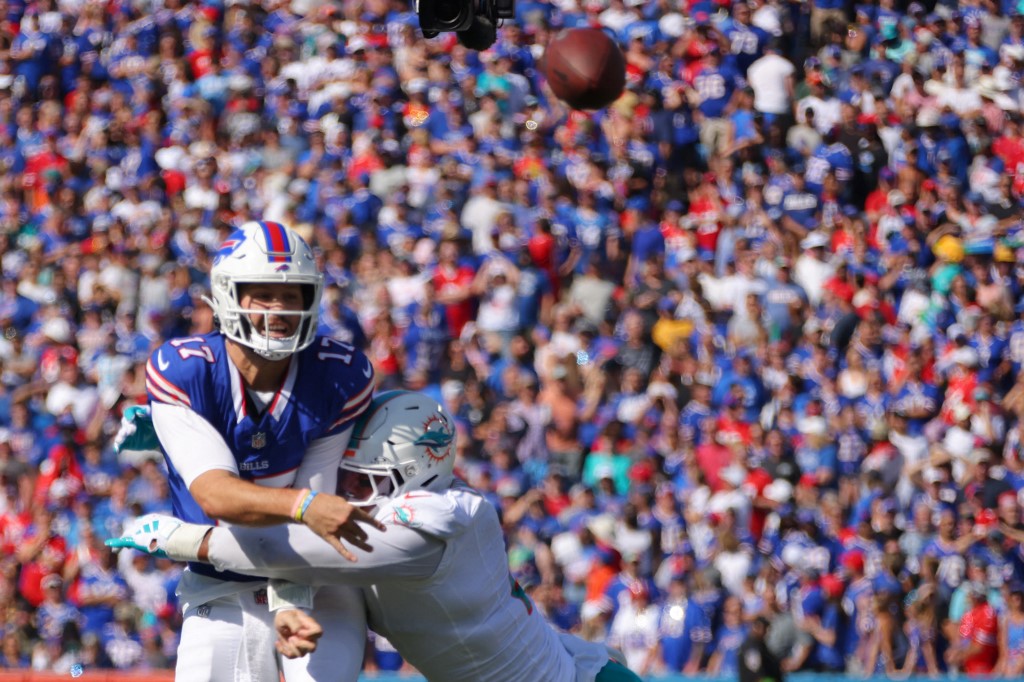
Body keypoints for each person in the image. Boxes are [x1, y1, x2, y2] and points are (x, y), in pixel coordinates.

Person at [110, 391, 643, 682]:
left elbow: (284, 550)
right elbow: (289, 469)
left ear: (414, 471)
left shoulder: (433, 523)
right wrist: (180, 438)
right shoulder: (423, 504)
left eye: (361, 480)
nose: (344, 491)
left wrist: (178, 539)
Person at [117, 221, 383, 682]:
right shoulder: (184, 371)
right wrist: (303, 506)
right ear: (227, 295)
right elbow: (219, 497)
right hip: (220, 585)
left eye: (292, 294)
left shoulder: (339, 375)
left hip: (315, 578)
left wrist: (291, 599)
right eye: (261, 294)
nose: (279, 309)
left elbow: (312, 519)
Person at [739, 616, 783, 682]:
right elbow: (755, 672)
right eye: (764, 628)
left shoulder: (761, 644)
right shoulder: (751, 646)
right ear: (756, 628)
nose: (766, 632)